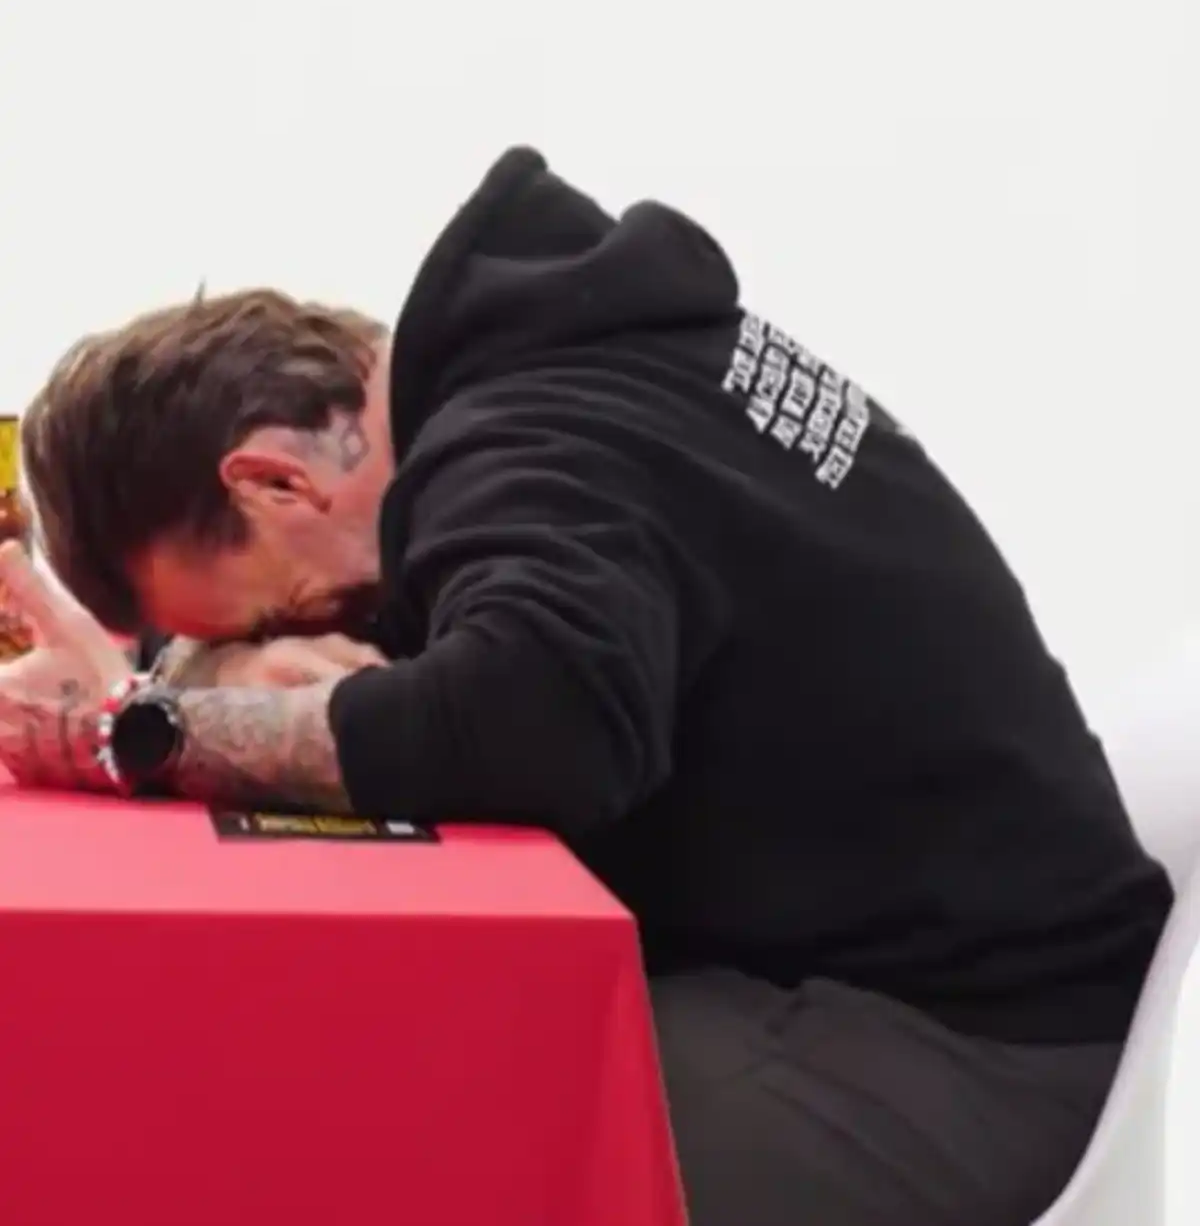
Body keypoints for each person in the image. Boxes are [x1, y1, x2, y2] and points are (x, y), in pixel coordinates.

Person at [0, 147, 1172, 1226]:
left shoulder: (528, 441)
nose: (310, 631)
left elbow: (531, 719)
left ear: (274, 482)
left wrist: (143, 731)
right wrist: (184, 672)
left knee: (369, 1131)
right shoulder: (571, 368)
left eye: (275, 612)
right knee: (378, 1066)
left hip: (973, 1047)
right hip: (918, 979)